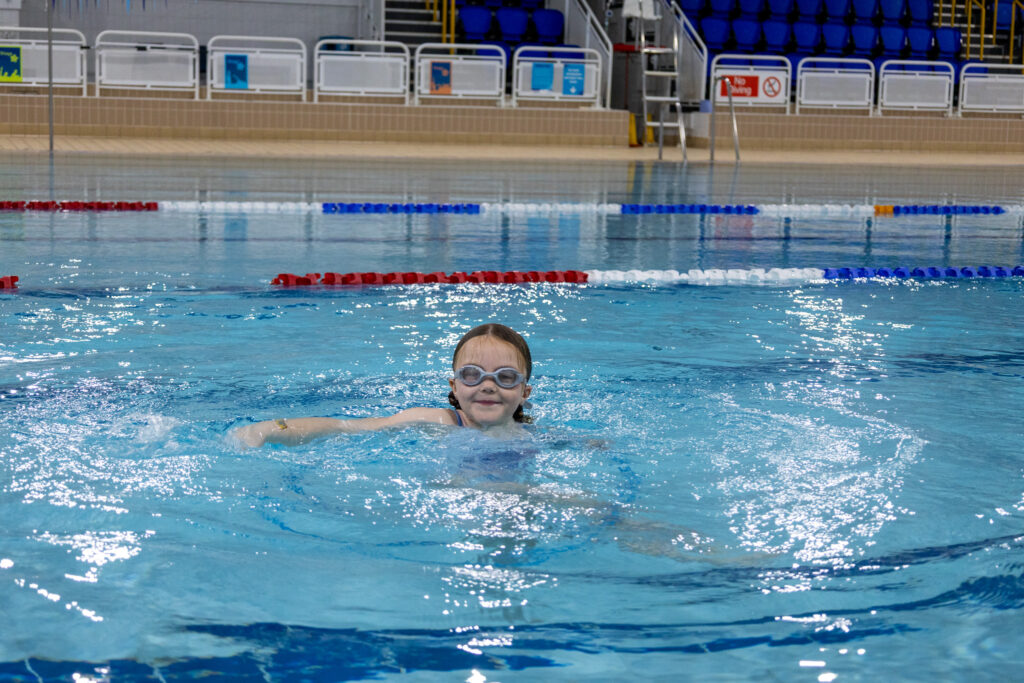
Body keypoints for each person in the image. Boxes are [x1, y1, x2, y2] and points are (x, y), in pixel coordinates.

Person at [232, 323, 533, 447]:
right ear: (454, 386)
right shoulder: (436, 421)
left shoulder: (532, 437)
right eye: (472, 375)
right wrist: (274, 427)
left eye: (505, 377)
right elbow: (344, 427)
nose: (488, 385)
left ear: (524, 392)